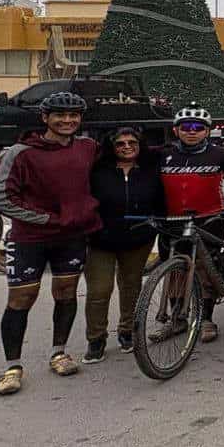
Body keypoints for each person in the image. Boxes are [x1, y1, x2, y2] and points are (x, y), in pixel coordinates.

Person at [0, 90, 100, 395]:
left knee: (65, 293)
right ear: (45, 118)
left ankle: (59, 352)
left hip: (72, 237)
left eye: (73, 115)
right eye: (60, 115)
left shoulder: (87, 148)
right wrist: (47, 219)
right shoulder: (21, 152)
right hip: (30, 239)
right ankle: (12, 367)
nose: (67, 121)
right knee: (21, 299)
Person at [156, 105, 224, 344]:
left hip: (210, 219)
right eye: (186, 127)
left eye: (198, 128)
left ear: (207, 131)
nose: (192, 132)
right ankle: (177, 320)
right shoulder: (164, 155)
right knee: (174, 273)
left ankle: (205, 319)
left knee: (204, 271)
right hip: (171, 221)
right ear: (176, 130)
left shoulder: (221, 155)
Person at [82, 125, 163, 362]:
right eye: (120, 143)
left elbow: (161, 198)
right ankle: (96, 338)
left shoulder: (150, 168)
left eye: (132, 143)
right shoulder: (97, 170)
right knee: (99, 290)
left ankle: (127, 331)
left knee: (131, 287)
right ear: (112, 146)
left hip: (138, 238)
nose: (127, 147)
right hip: (101, 239)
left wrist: (156, 223)